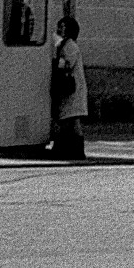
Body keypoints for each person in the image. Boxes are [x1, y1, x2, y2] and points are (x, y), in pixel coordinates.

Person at [49, 16, 88, 160]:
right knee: (68, 119)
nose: (60, 29)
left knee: (71, 120)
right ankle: (71, 150)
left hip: (71, 89)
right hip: (70, 88)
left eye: (63, 27)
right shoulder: (66, 44)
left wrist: (55, 63)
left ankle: (74, 150)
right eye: (60, 26)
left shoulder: (70, 45)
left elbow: (66, 63)